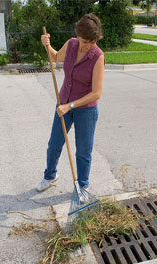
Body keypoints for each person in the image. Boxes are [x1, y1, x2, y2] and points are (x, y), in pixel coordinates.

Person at [36, 13, 105, 192]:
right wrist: (47, 45)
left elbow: (96, 93)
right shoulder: (72, 44)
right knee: (54, 144)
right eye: (84, 41)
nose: (87, 45)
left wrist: (71, 105)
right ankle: (50, 176)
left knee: (83, 152)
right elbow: (56, 58)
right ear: (78, 35)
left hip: (85, 110)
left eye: (92, 42)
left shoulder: (98, 56)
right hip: (63, 103)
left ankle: (82, 186)